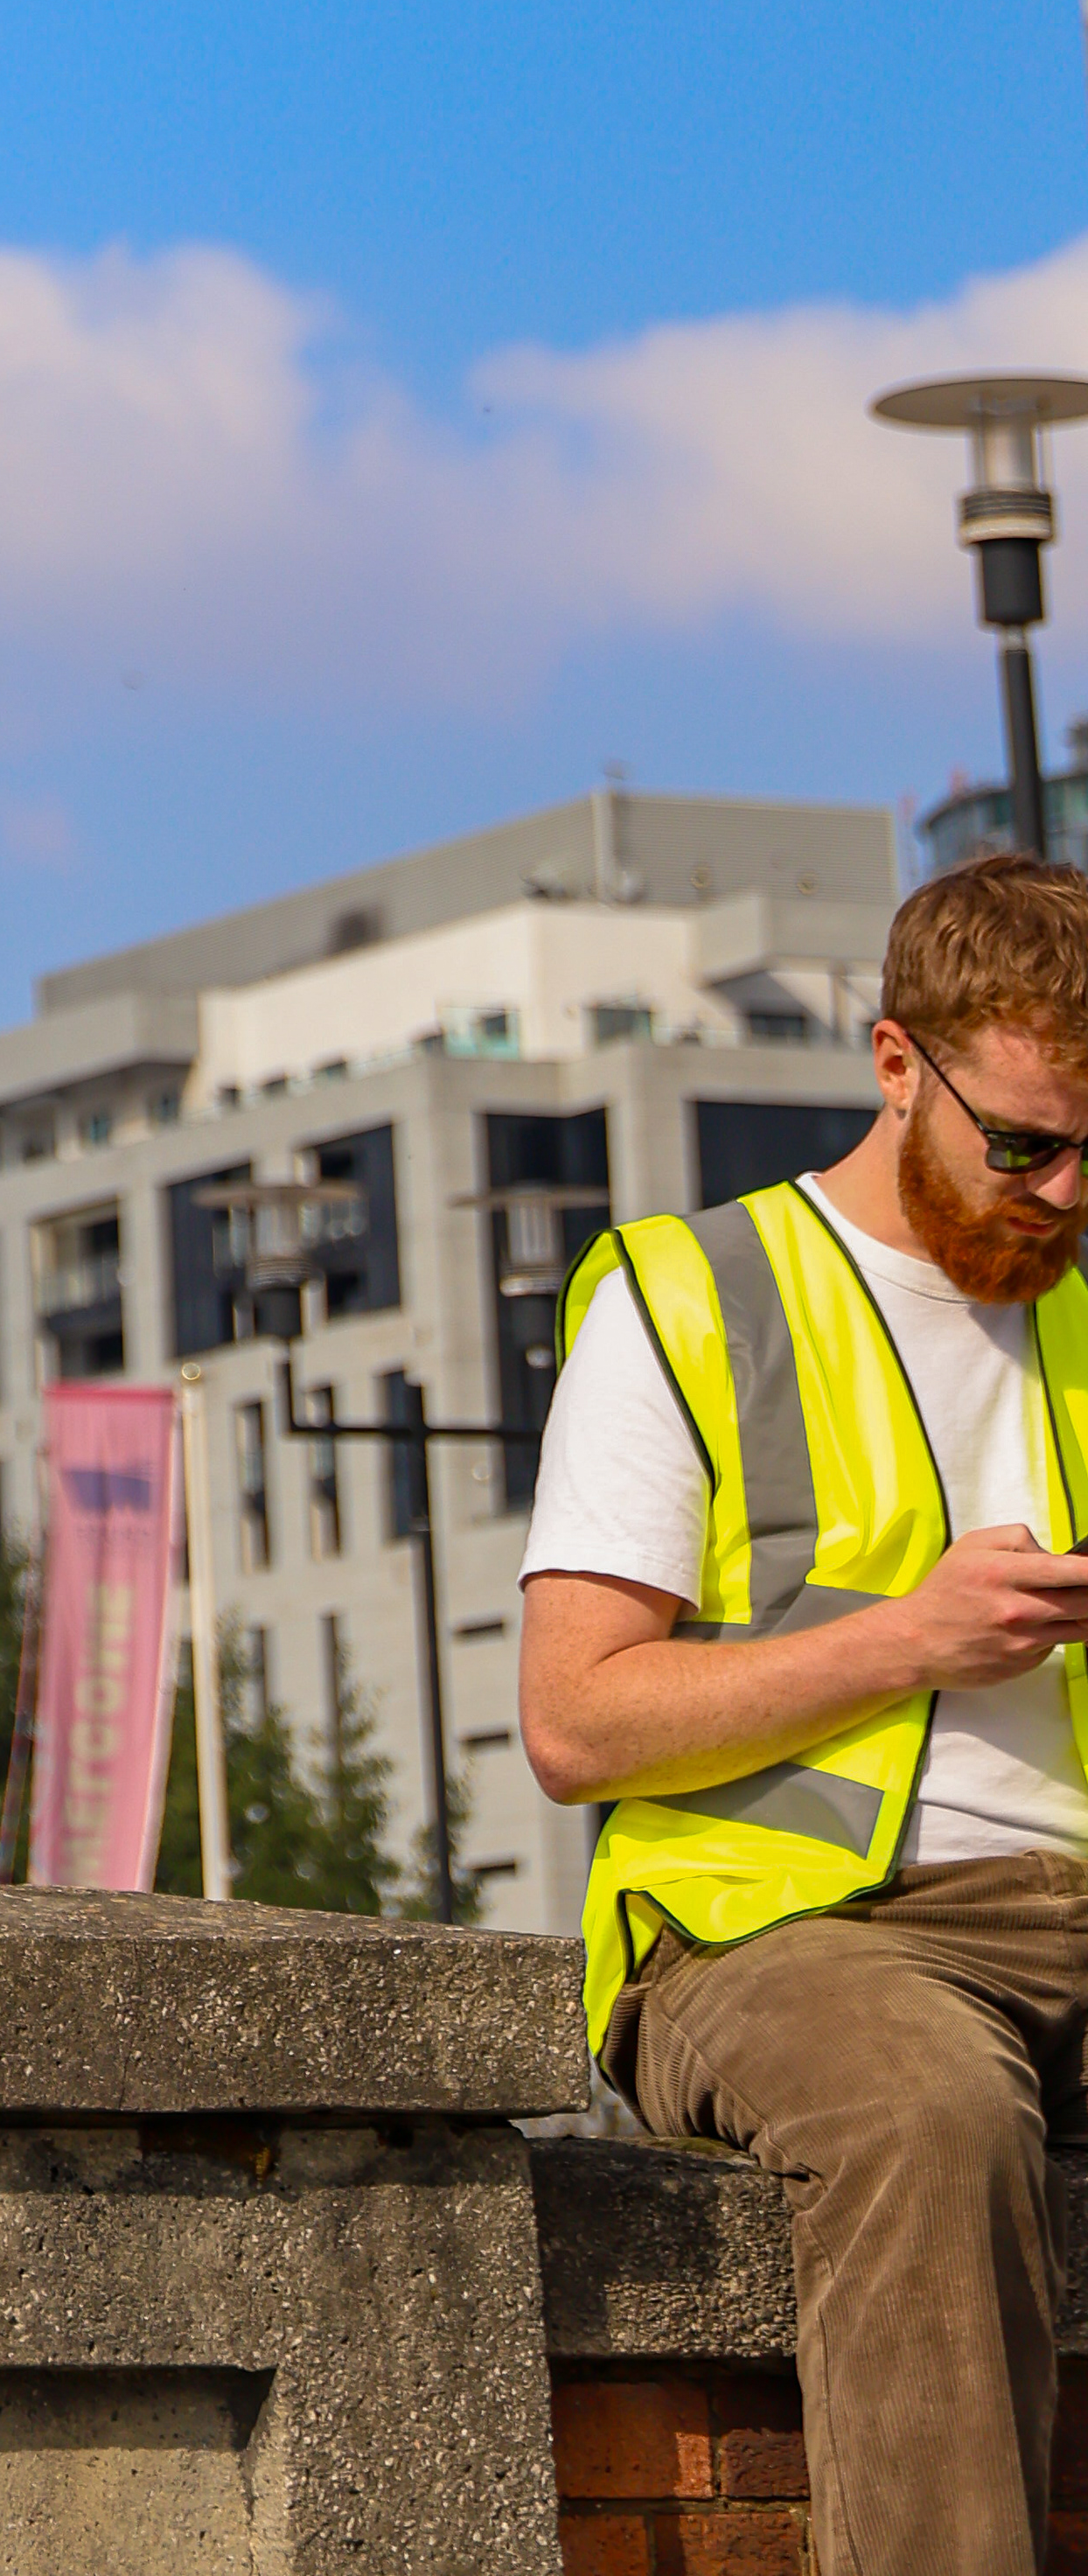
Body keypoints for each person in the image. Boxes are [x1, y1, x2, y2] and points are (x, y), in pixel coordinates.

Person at [520, 854, 1088, 2576]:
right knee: (927, 2118)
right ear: (896, 1063)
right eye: (1027, 1143)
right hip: (784, 1930)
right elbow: (575, 1726)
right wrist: (910, 1638)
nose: (1066, 1193)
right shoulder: (690, 1298)